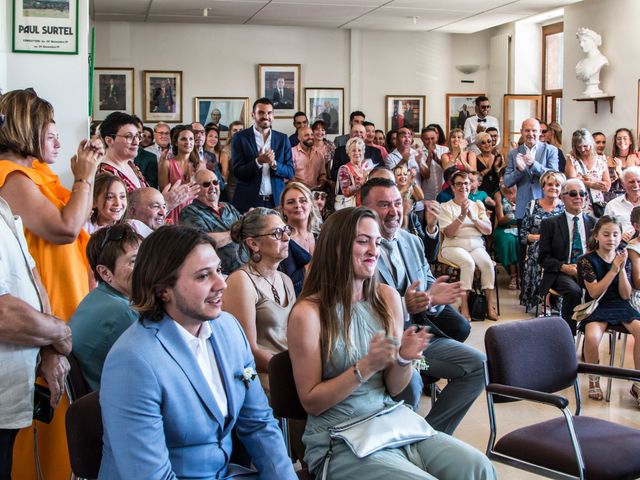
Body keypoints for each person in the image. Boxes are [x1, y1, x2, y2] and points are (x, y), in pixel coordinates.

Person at [287, 207, 496, 480]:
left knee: (477, 467)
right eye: (362, 241)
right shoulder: (308, 313)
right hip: (338, 436)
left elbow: (395, 387)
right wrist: (365, 367)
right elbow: (312, 403)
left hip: (391, 420)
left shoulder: (386, 297)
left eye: (376, 242)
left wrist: (404, 359)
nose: (374, 250)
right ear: (336, 247)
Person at [99, 226, 296, 479]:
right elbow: (150, 475)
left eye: (219, 270)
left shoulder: (228, 328)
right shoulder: (132, 360)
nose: (221, 284)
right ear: (163, 289)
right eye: (203, 276)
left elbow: (259, 424)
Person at [0, 88, 101, 480]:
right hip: (39, 313)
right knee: (43, 428)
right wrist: (85, 177)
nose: (59, 141)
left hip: (60, 301)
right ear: (27, 131)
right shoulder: (12, 176)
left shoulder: (35, 174)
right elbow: (63, 228)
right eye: (50, 132)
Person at [362, 178, 486, 434]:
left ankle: (431, 435)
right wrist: (404, 306)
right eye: (384, 205)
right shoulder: (355, 248)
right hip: (378, 343)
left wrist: (431, 300)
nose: (394, 211)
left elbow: (427, 285)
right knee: (413, 380)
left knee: (479, 365)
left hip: (420, 339)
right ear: (363, 207)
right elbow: (357, 309)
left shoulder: (411, 241)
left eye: (397, 203)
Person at [0, 196, 71, 480]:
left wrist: (49, 348)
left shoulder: (5, 205)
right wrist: (60, 333)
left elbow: (33, 279)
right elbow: (3, 313)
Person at [223, 208, 295, 391]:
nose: (286, 238)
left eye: (286, 230)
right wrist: (293, 373)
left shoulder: (285, 279)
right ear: (253, 243)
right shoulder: (241, 281)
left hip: (292, 371)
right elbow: (249, 351)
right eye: (277, 233)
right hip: (264, 382)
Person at [68, 224, 142, 392]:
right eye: (134, 261)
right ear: (105, 273)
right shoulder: (122, 312)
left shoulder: (99, 298)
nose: (145, 266)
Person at [576, 215, 640, 406]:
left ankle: (637, 382)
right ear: (596, 236)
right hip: (597, 306)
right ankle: (594, 379)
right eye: (606, 234)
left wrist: (621, 270)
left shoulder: (623, 257)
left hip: (619, 304)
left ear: (621, 236)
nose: (611, 239)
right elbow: (594, 292)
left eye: (615, 234)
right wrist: (613, 269)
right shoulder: (586, 260)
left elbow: (625, 294)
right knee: (593, 337)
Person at [538, 178, 597, 335]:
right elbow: (543, 257)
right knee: (574, 292)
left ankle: (590, 334)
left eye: (582, 193)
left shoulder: (594, 223)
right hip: (561, 272)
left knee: (597, 291)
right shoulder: (550, 223)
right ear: (563, 197)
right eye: (572, 193)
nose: (578, 197)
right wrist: (563, 267)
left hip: (588, 271)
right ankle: (568, 338)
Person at [439, 170, 498, 321]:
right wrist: (462, 216)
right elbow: (449, 234)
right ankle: (464, 307)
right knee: (468, 263)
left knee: (487, 264)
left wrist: (474, 218)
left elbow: (488, 230)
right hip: (453, 246)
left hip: (476, 245)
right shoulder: (446, 207)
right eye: (458, 184)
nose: (463, 187)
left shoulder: (477, 205)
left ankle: (489, 305)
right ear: (452, 187)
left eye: (466, 183)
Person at [231, 98, 294, 212]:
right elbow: (237, 172)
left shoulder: (283, 139)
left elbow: (290, 172)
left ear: (273, 116)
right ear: (253, 115)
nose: (266, 116)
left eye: (269, 113)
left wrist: (273, 164)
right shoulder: (239, 138)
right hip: (248, 202)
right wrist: (258, 162)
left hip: (276, 202)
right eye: (261, 112)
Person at [179, 169, 243, 275]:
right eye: (206, 184)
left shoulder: (228, 207)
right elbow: (202, 242)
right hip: (218, 274)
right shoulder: (189, 212)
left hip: (245, 269)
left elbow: (247, 229)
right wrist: (236, 233)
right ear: (195, 188)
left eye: (215, 182)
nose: (212, 187)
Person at [519, 171, 566, 312]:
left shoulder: (564, 208)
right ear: (543, 187)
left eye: (557, 185)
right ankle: (543, 300)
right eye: (550, 184)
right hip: (537, 249)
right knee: (541, 255)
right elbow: (523, 235)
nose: (554, 188)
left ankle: (550, 300)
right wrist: (543, 237)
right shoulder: (532, 205)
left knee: (555, 258)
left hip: (558, 249)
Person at [504, 118, 559, 224]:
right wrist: (519, 170)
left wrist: (534, 164)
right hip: (522, 208)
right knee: (523, 240)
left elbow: (555, 176)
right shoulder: (513, 153)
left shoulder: (551, 150)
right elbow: (507, 182)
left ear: (539, 132)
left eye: (534, 131)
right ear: (521, 132)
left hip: (545, 205)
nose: (531, 134)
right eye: (527, 130)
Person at [279, 182, 321, 295]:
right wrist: (322, 260)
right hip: (301, 300)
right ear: (283, 209)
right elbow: (293, 282)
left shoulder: (321, 235)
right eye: (291, 202)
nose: (298, 205)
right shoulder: (283, 240)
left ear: (311, 205)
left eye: (303, 200)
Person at [159, 125, 201, 224]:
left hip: (195, 211)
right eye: (183, 139)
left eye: (191, 139)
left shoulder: (199, 164)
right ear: (176, 143)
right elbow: (164, 194)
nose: (188, 142)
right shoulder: (167, 164)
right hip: (174, 210)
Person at [98, 112, 150, 191]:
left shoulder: (130, 164)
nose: (136, 142)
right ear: (109, 140)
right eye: (129, 136)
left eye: (137, 136)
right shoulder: (105, 173)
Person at [565, 128, 610, 217]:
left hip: (597, 204)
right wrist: (592, 184)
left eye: (585, 146)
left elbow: (607, 186)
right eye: (579, 147)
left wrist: (582, 180)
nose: (582, 149)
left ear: (591, 144)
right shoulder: (572, 159)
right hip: (577, 201)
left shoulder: (601, 160)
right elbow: (572, 182)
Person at [492, 182, 519, 289]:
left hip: (521, 226)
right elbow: (501, 221)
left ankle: (522, 276)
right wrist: (511, 213)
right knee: (509, 240)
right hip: (504, 227)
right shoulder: (498, 194)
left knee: (522, 240)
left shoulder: (523, 191)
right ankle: (513, 276)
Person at [604, 166, 640, 242]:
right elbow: (605, 230)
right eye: (631, 182)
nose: (636, 185)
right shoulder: (612, 205)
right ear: (623, 184)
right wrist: (617, 235)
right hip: (621, 247)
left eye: (639, 181)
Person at [338, 137, 371, 207]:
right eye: (353, 150)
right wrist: (361, 182)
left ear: (363, 152)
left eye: (359, 150)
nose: (357, 153)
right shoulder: (344, 169)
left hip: (369, 204)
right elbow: (346, 192)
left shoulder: (367, 167)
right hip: (354, 208)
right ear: (348, 153)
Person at [575, 27, 609, 97]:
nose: (581, 44)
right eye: (580, 42)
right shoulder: (581, 63)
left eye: (584, 41)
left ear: (594, 41)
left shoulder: (601, 60)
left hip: (594, 90)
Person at [420, 126, 449, 201]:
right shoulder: (417, 153)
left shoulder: (445, 150)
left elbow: (448, 170)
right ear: (422, 139)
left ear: (437, 137)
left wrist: (437, 160)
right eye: (427, 139)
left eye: (432, 138)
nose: (430, 141)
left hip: (444, 193)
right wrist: (429, 157)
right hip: (426, 194)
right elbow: (424, 175)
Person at [219, 120, 244, 202]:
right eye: (235, 130)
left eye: (241, 130)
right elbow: (224, 173)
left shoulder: (249, 147)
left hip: (248, 187)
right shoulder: (226, 151)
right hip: (233, 188)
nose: (238, 132)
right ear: (230, 133)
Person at [475, 131, 503, 197]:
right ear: (478, 146)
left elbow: (502, 177)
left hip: (496, 192)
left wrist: (497, 169)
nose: (487, 144)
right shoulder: (475, 159)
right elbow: (475, 178)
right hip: (480, 192)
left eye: (489, 141)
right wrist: (487, 169)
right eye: (483, 143)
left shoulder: (498, 158)